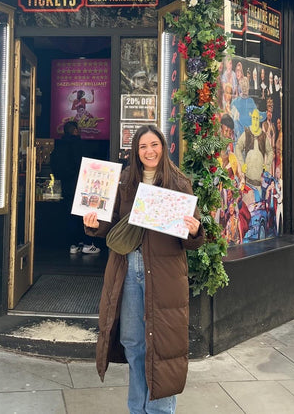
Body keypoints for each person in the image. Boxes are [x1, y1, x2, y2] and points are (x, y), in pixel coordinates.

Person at [83, 124, 204, 412]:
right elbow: (110, 224)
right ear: (135, 152)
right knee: (134, 343)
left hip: (164, 275)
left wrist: (195, 230)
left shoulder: (179, 183)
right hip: (127, 270)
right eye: (143, 147)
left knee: (161, 347)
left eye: (154, 145)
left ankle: (160, 410)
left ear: (164, 147)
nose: (149, 151)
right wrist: (93, 224)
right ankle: (138, 409)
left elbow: (193, 239)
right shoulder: (124, 181)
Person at [51, 121, 100, 253]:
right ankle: (87, 244)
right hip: (81, 185)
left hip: (66, 186)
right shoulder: (79, 145)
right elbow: (88, 164)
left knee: (71, 216)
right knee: (85, 215)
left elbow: (54, 166)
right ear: (75, 131)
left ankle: (73, 245)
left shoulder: (59, 146)